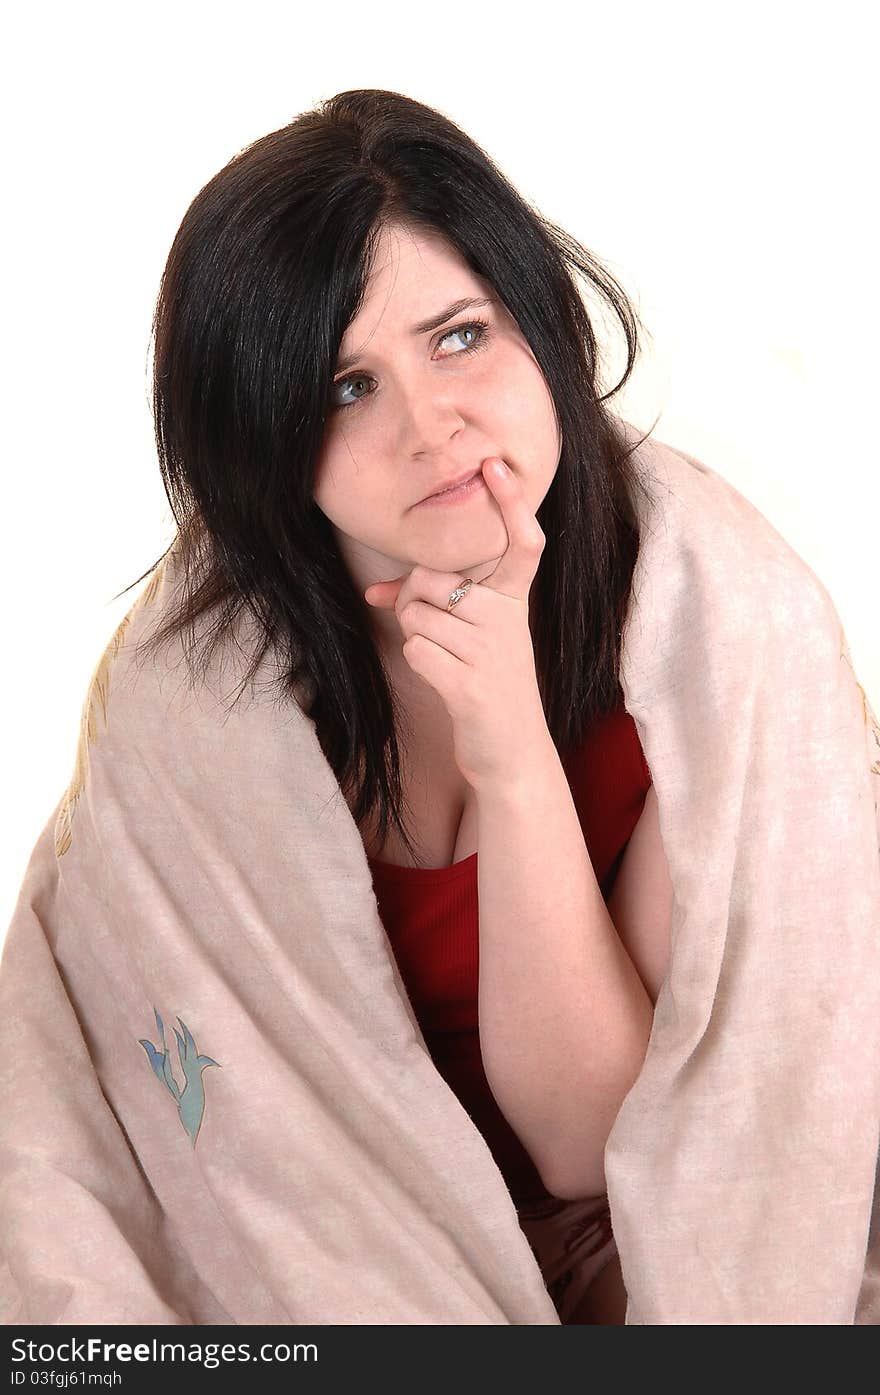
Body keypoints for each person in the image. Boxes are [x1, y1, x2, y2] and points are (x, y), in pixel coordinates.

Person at [3, 88, 876, 1327]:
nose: (432, 425)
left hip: (638, 1243)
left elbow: (593, 1148)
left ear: (538, 322)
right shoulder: (190, 706)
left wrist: (512, 749)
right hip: (317, 1255)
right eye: (345, 389)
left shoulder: (717, 639)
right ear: (266, 447)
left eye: (458, 335)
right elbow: (157, 1131)